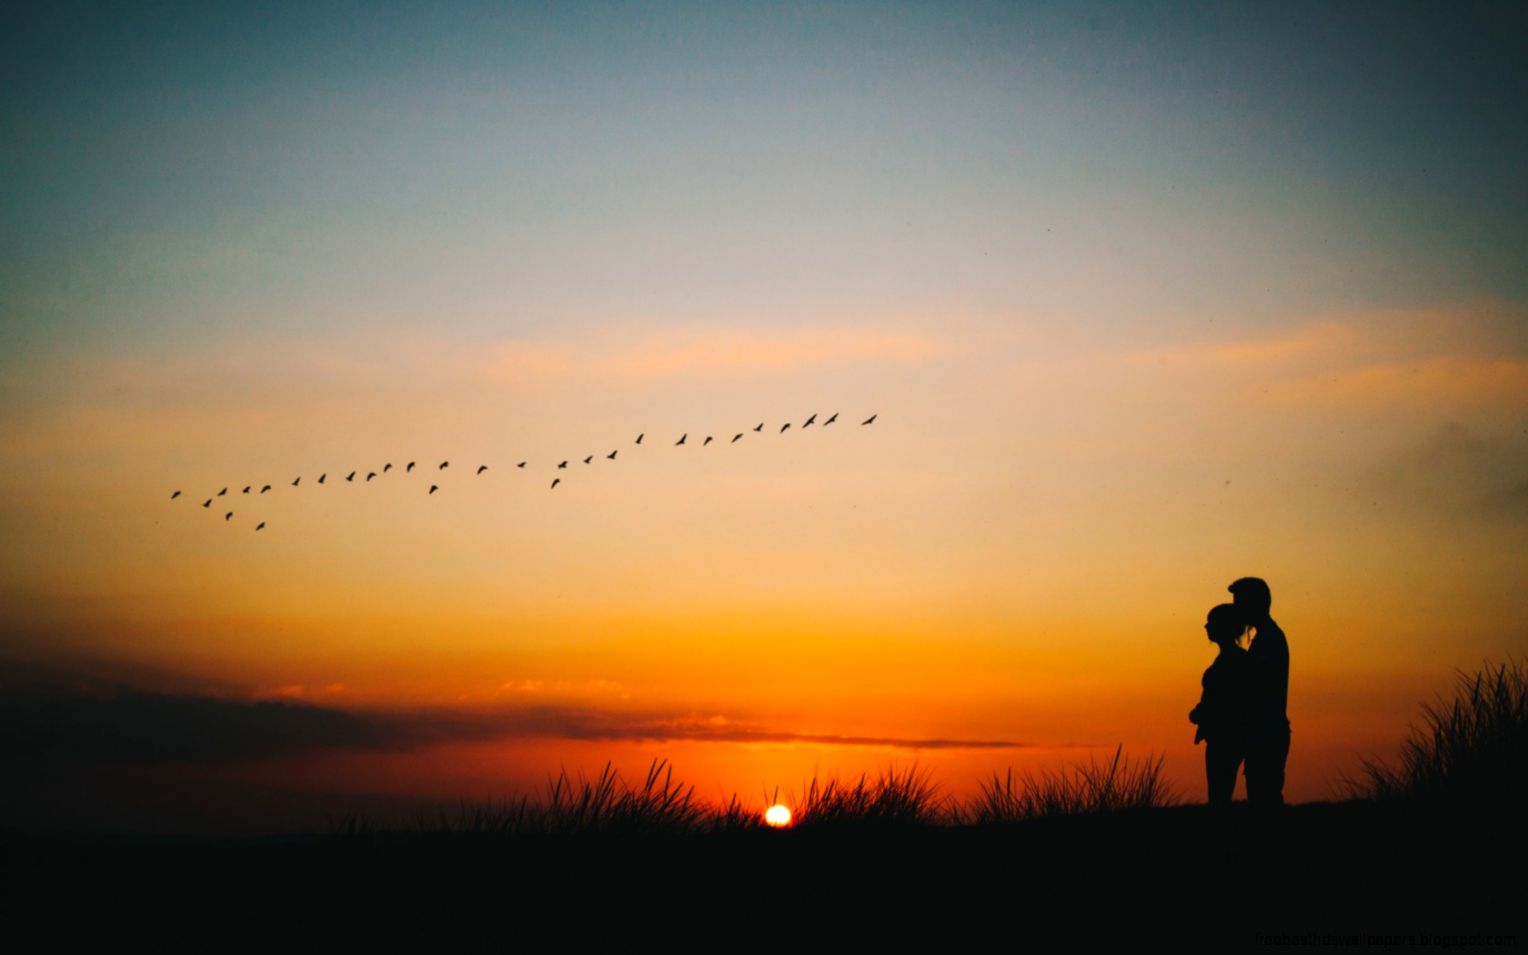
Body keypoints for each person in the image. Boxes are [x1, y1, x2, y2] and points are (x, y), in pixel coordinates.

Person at [1230, 576, 1290, 809]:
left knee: (1264, 802)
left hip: (1267, 734)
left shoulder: (1269, 640)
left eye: (1239, 603)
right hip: (1265, 733)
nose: (1236, 610)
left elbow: (1254, 688)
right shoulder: (1264, 638)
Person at [1189, 603, 1253, 807]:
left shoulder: (1235, 661)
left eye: (1212, 622)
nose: (1206, 627)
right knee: (1218, 795)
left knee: (1219, 797)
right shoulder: (1230, 659)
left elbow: (1231, 701)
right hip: (1221, 737)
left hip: (1226, 738)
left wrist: (1204, 713)